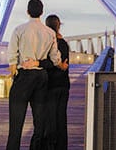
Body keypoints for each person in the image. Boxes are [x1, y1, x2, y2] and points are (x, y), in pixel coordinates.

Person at [6, 0, 61, 150]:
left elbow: (11, 57)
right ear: (42, 12)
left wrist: (14, 71)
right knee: (39, 123)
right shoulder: (50, 33)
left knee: (16, 125)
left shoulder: (19, 30)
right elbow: (55, 60)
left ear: (28, 12)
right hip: (41, 78)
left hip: (23, 77)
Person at [44, 15, 70, 150]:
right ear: (59, 26)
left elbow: (48, 63)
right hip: (63, 85)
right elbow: (64, 64)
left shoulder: (47, 43)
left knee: (50, 119)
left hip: (50, 85)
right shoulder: (64, 44)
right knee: (61, 118)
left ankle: (50, 146)